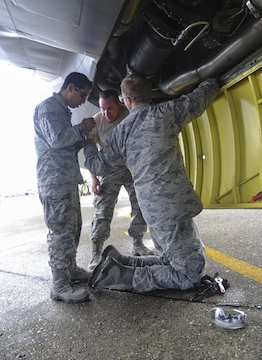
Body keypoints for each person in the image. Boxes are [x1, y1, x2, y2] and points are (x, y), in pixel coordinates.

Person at [84, 74, 219, 292]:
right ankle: (120, 274)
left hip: (153, 209)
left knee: (171, 258)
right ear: (149, 96)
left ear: (127, 100)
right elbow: (199, 98)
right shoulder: (166, 113)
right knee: (189, 274)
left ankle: (122, 261)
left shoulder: (121, 131)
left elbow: (96, 165)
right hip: (173, 206)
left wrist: (89, 140)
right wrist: (212, 79)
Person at [33, 72, 96, 303]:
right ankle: (59, 285)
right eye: (83, 95)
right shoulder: (48, 108)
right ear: (71, 87)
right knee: (60, 232)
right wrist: (82, 128)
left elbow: (64, 146)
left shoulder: (61, 110)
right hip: (54, 181)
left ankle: (69, 270)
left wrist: (83, 138)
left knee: (72, 228)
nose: (83, 101)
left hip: (66, 180)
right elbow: (56, 139)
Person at [87, 89, 154, 272]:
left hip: (132, 167)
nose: (106, 113)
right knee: (102, 210)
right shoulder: (97, 121)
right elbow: (91, 152)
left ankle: (138, 244)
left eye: (110, 108)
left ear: (120, 104)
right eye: (103, 109)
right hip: (109, 169)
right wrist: (93, 179)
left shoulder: (130, 114)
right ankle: (96, 253)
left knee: (140, 205)